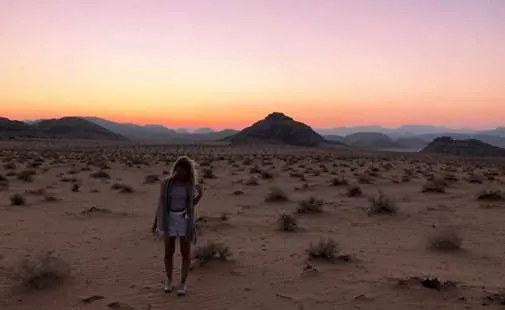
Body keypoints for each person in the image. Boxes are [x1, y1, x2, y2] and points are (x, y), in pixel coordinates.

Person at [152, 156, 203, 296]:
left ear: (188, 171)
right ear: (175, 168)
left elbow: (191, 205)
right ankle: (168, 280)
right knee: (169, 251)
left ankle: (183, 282)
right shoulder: (167, 183)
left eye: (184, 170)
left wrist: (200, 195)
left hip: (184, 219)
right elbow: (161, 204)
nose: (181, 172)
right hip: (169, 220)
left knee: (185, 252)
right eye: (179, 169)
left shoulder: (189, 185)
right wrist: (155, 222)